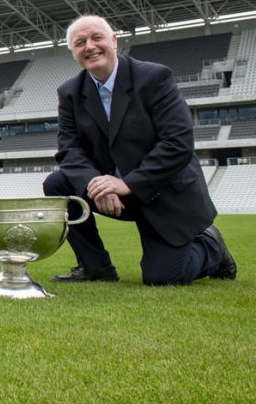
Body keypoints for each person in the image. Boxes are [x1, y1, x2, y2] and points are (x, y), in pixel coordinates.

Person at [43, 15, 236, 285]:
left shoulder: (154, 77)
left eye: (97, 38)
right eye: (80, 42)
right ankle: (95, 267)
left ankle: (212, 246)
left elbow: (178, 142)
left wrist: (127, 184)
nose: (90, 46)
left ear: (113, 41)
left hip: (161, 190)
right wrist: (96, 184)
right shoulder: (70, 93)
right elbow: (69, 150)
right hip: (115, 193)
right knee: (57, 184)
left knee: (164, 277)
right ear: (73, 53)